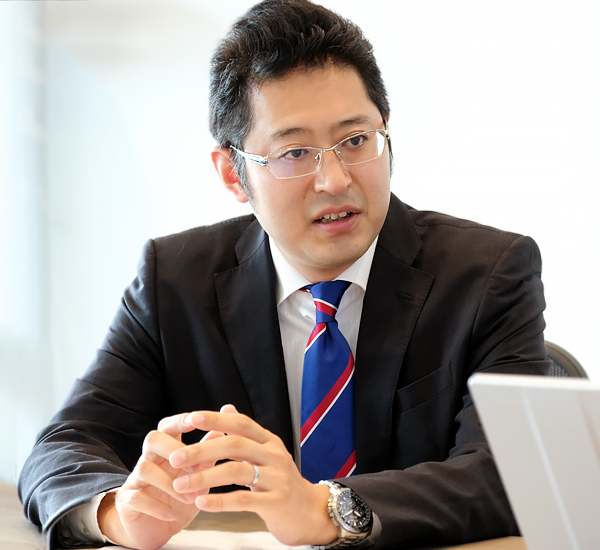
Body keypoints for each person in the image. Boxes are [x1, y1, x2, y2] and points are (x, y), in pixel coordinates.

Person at [19, 1, 550, 549]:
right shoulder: (174, 281)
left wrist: (328, 509)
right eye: (295, 152)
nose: (334, 179)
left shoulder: (487, 274)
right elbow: (62, 447)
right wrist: (117, 512)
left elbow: (512, 474)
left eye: (356, 140)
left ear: (386, 133)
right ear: (233, 175)